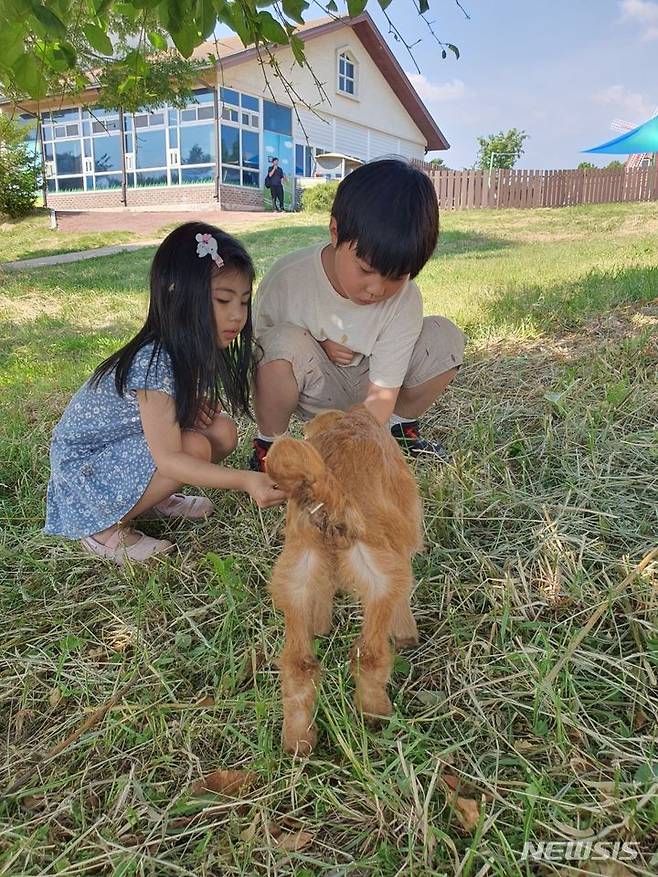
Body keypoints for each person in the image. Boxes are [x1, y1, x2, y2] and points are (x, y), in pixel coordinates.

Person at [45, 222, 285, 565]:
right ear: (177, 295)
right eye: (222, 300)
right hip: (82, 477)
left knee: (222, 431)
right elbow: (170, 458)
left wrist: (187, 409)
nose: (237, 315)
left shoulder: (188, 350)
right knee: (192, 448)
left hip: (120, 453)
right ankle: (103, 530)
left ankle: (153, 498)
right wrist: (247, 480)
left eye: (244, 302)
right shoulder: (155, 361)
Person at [249, 157, 465, 472]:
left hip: (372, 387)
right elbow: (260, 349)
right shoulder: (288, 278)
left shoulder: (404, 300)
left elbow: (382, 392)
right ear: (336, 232)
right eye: (366, 270)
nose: (377, 289)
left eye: (396, 276)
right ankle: (270, 448)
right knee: (280, 341)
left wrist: (353, 447)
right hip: (314, 388)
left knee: (444, 337)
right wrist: (315, 344)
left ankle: (398, 430)